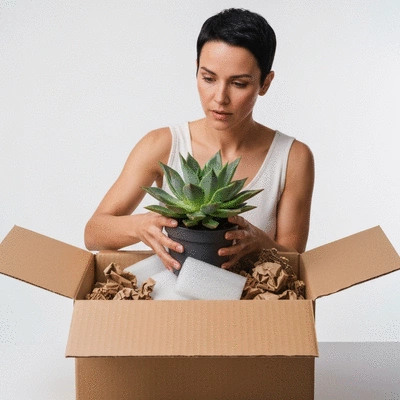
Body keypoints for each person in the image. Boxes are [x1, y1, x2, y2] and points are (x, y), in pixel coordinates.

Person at [84, 8, 314, 273]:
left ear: (265, 83)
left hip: (251, 308)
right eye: (208, 78)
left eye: (238, 84)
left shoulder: (293, 157)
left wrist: (261, 242)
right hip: (172, 307)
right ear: (196, 71)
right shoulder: (162, 144)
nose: (220, 97)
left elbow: (294, 263)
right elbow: (93, 232)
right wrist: (140, 225)